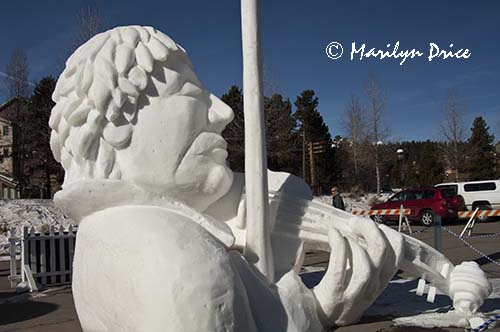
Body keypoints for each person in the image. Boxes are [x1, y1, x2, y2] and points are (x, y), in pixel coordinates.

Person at [50, 26, 490, 332]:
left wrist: (447, 272)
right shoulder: (179, 264)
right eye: (188, 93)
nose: (223, 112)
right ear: (114, 126)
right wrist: (317, 310)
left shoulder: (99, 240)